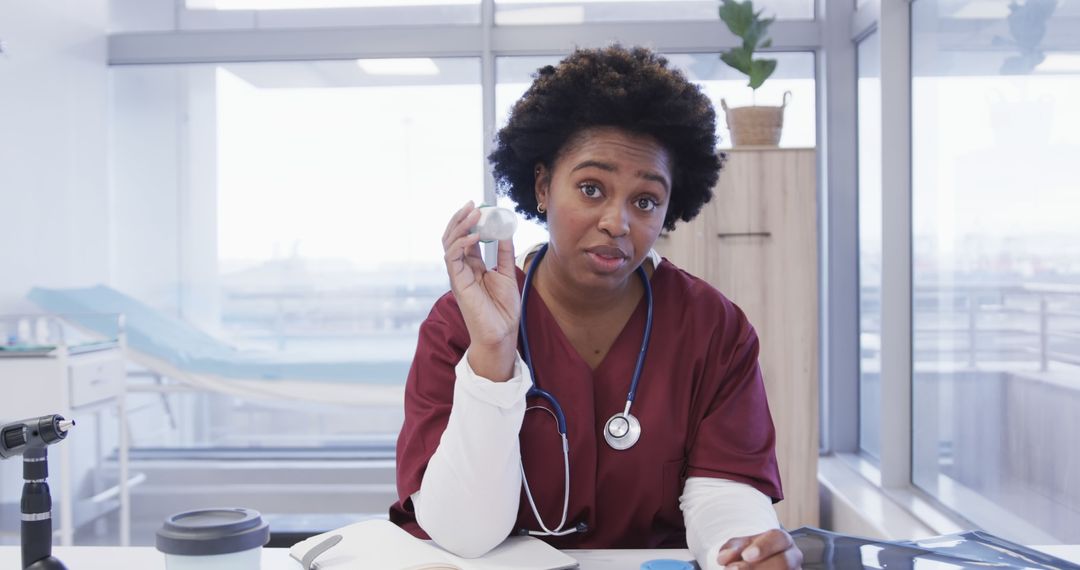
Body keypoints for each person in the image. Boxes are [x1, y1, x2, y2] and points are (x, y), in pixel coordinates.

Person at [389, 45, 802, 570]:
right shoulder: (460, 325)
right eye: (591, 188)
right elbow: (463, 535)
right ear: (542, 186)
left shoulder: (712, 327)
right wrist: (492, 356)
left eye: (646, 200)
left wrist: (740, 548)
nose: (618, 222)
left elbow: (723, 491)